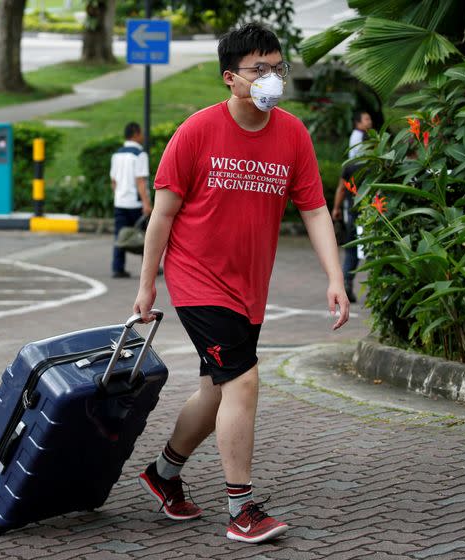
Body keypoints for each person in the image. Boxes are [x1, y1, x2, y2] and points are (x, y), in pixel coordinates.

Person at [133, 24, 350, 544]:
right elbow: (162, 216)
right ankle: (241, 507)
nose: (271, 77)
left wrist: (335, 277)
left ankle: (162, 475)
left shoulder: (292, 134)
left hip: (248, 287)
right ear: (231, 78)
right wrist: (147, 285)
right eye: (259, 69)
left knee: (218, 387)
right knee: (245, 381)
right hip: (197, 278)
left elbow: (315, 209)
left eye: (277, 66)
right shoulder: (197, 131)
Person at [332, 110, 373, 303]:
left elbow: (341, 189)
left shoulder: (350, 166)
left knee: (352, 249)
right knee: (371, 249)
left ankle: (347, 282)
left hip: (353, 211)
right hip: (372, 213)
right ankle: (377, 285)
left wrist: (336, 209)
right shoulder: (374, 166)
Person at [110, 122, 152, 278]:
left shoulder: (117, 154)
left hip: (120, 202)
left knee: (120, 236)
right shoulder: (140, 154)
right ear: (135, 133)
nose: (142, 136)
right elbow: (140, 181)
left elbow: (113, 181)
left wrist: (118, 195)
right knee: (146, 236)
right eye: (141, 132)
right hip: (136, 203)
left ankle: (117, 267)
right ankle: (147, 270)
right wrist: (146, 203)